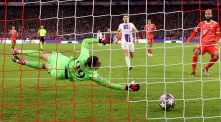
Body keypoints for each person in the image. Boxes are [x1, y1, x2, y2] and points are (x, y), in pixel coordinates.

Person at [11, 38, 140, 91]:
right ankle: (22, 61)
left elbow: (85, 41)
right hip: (61, 74)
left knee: (41, 54)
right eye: (99, 63)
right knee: (44, 66)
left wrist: (100, 40)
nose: (100, 64)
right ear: (93, 65)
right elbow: (109, 84)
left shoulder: (84, 56)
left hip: (63, 61)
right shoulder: (93, 74)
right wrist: (126, 87)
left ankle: (18, 51)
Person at [186, 9, 221, 76]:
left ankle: (205, 68)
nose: (208, 15)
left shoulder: (216, 24)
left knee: (217, 55)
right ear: (205, 15)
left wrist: (216, 40)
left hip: (211, 45)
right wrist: (188, 40)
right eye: (206, 14)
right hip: (202, 44)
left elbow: (218, 35)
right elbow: (194, 33)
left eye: (209, 14)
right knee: (196, 52)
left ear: (211, 15)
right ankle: (193, 72)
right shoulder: (201, 24)